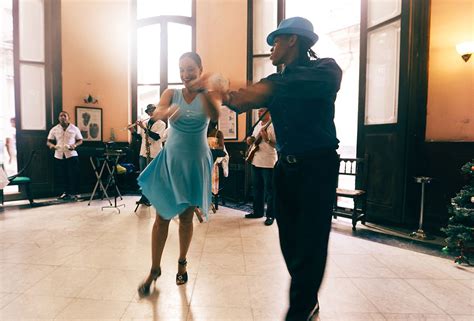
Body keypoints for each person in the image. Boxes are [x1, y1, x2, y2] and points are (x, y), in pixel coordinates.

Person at [191, 17, 342, 321]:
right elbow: (240, 99)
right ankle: (308, 298)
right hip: (284, 169)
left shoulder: (325, 69)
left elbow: (298, 86)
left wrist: (267, 90)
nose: (271, 48)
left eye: (276, 41)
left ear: (293, 40)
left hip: (318, 166)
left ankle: (299, 310)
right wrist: (216, 90)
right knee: (290, 242)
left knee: (311, 241)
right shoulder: (275, 82)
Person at [136, 52, 220, 296]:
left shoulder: (208, 94)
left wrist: (206, 89)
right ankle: (154, 270)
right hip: (171, 161)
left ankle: (182, 261)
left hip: (194, 163)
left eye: (190, 69)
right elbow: (159, 112)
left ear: (200, 69)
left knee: (185, 218)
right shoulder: (171, 93)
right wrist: (166, 111)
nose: (185, 74)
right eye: (181, 69)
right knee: (161, 217)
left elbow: (215, 115)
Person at [128, 104, 166, 206]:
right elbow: (141, 138)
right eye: (148, 111)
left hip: (154, 154)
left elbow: (156, 137)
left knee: (152, 177)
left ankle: (151, 198)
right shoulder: (146, 123)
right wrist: (133, 131)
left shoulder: (161, 124)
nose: (150, 113)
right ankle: (144, 197)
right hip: (143, 152)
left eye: (152, 111)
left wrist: (144, 128)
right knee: (143, 176)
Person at [244, 108, 277, 226]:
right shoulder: (258, 125)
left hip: (269, 162)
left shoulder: (273, 125)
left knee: (270, 191)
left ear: (269, 112)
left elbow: (277, 145)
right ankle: (257, 212)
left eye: (262, 111)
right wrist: (250, 140)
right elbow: (253, 141)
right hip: (256, 160)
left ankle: (270, 215)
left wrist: (267, 139)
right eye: (258, 111)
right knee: (257, 188)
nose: (259, 113)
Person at [47, 111, 84, 200]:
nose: (62, 117)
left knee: (74, 174)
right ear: (58, 118)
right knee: (62, 175)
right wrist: (52, 146)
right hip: (59, 155)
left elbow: (80, 140)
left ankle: (76, 193)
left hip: (71, 155)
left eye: (65, 115)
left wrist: (74, 145)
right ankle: (65, 193)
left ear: (68, 118)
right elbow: (48, 141)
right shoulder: (54, 129)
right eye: (61, 116)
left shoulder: (74, 129)